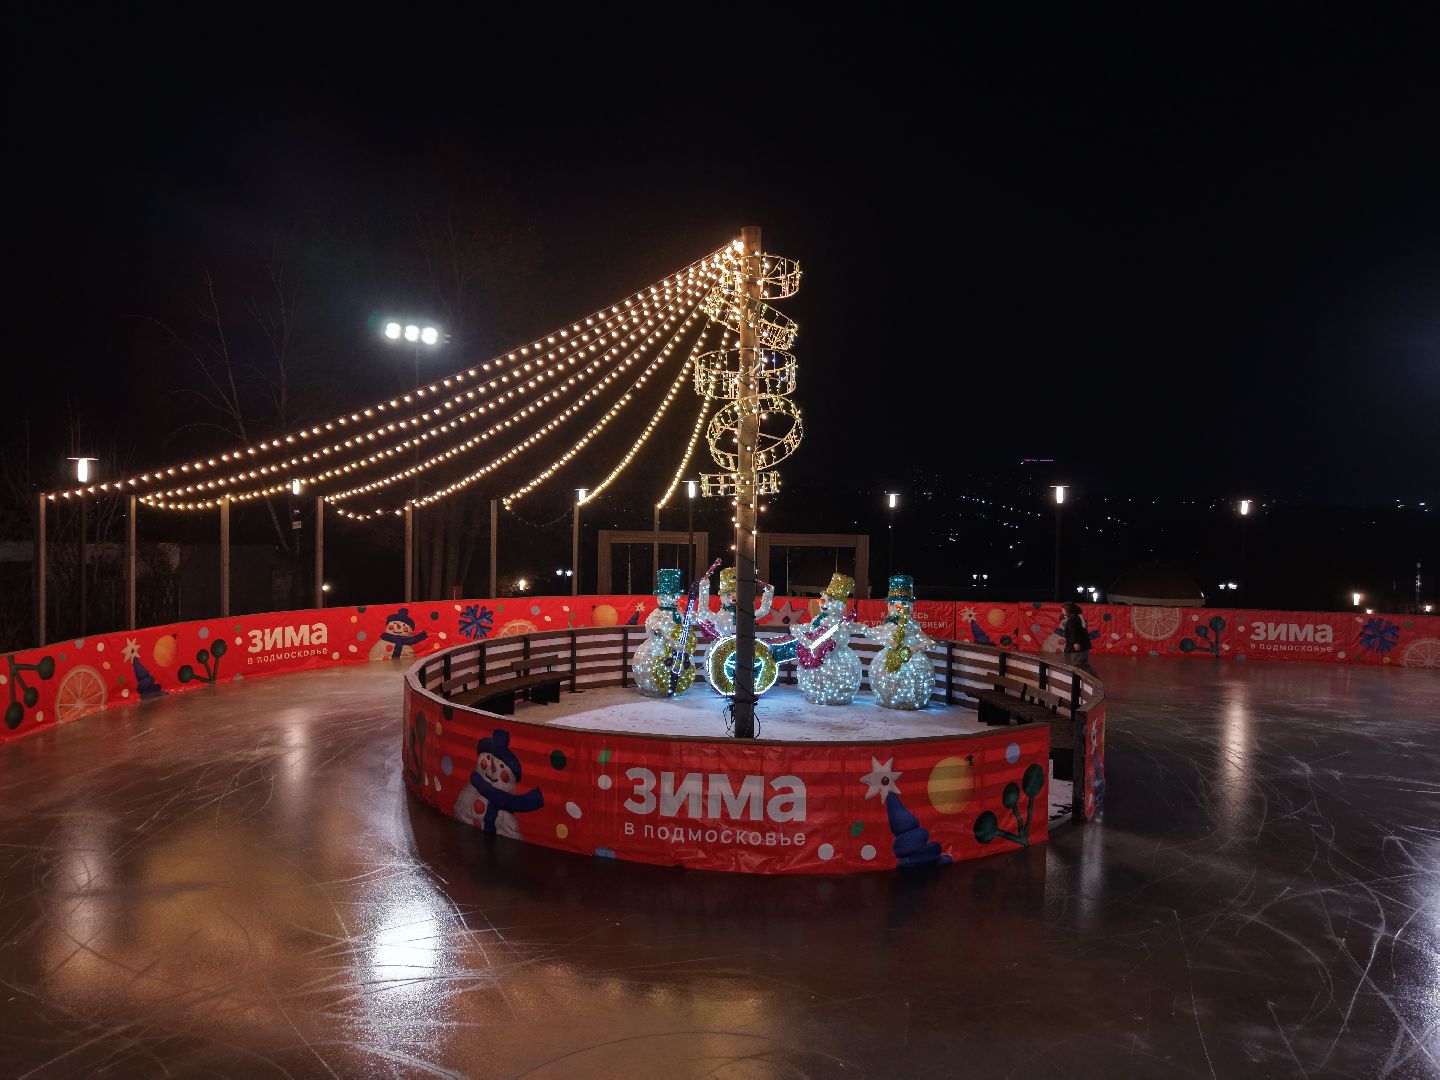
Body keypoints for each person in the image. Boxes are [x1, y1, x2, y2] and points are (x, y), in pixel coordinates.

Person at [1062, 602, 1094, 670]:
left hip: (1077, 647)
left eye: (1063, 610)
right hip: (1084, 645)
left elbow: (1074, 632)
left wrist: (1075, 643)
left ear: (1068, 610)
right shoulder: (1079, 617)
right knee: (1083, 665)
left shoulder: (1072, 619)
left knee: (1076, 666)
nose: (1062, 612)